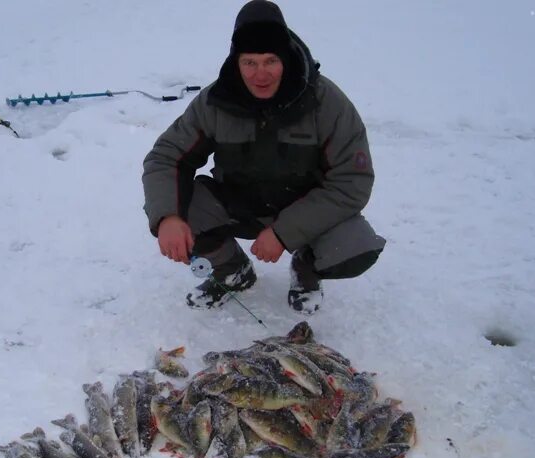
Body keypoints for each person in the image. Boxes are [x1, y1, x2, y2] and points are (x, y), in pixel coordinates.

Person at [142, 0, 386, 314]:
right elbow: (166, 157)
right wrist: (169, 218)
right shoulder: (215, 102)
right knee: (172, 204)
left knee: (356, 248)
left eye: (271, 61)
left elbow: (352, 183)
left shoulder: (327, 104)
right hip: (239, 205)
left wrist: (286, 233)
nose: (261, 74)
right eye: (249, 62)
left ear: (286, 58)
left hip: (304, 210)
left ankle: (306, 269)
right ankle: (232, 271)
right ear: (236, 61)